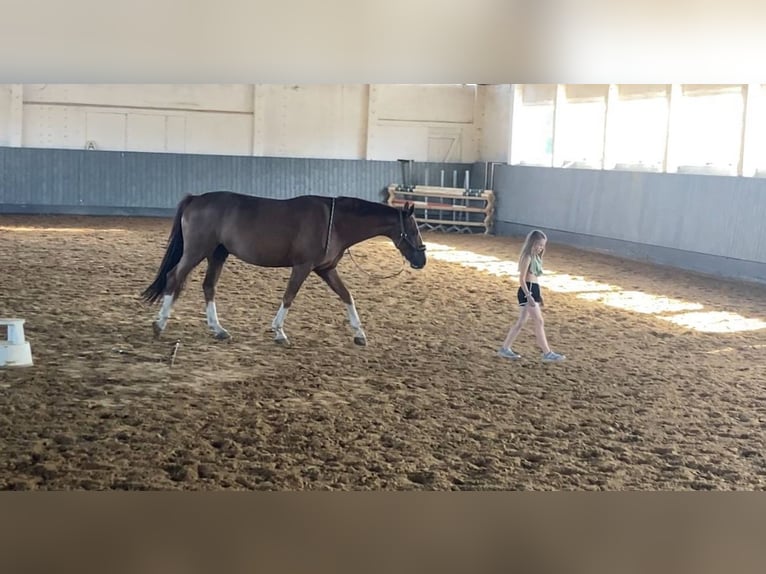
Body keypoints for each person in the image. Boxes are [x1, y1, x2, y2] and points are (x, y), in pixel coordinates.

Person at [498, 229, 566, 362]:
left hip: (533, 289)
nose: (540, 248)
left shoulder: (535, 258)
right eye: (538, 245)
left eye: (542, 246)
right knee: (539, 321)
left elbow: (534, 278)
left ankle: (505, 348)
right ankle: (547, 353)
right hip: (527, 290)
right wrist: (528, 296)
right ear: (532, 243)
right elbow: (522, 279)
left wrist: (537, 295)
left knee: (521, 322)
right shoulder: (527, 257)